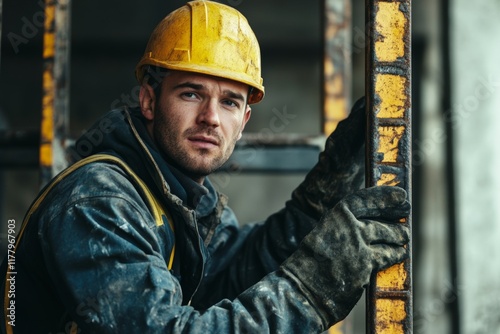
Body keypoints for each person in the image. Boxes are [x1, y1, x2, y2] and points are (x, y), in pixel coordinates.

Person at [1, 1, 410, 333]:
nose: (211, 117)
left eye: (230, 101)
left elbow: (235, 273)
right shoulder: (99, 202)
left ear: (244, 120)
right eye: (191, 93)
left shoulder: (177, 196)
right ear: (148, 100)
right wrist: (311, 291)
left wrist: (319, 200)